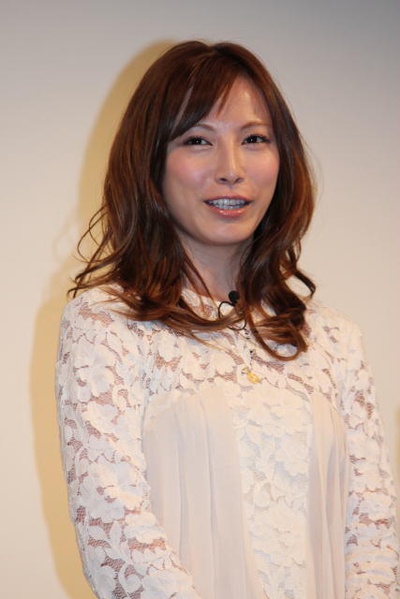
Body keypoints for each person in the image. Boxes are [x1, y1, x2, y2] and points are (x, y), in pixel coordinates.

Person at [56, 40, 399, 599]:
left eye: (254, 139)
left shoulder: (335, 339)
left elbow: (372, 534)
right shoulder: (105, 325)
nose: (231, 170)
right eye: (198, 140)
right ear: (150, 161)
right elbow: (116, 539)